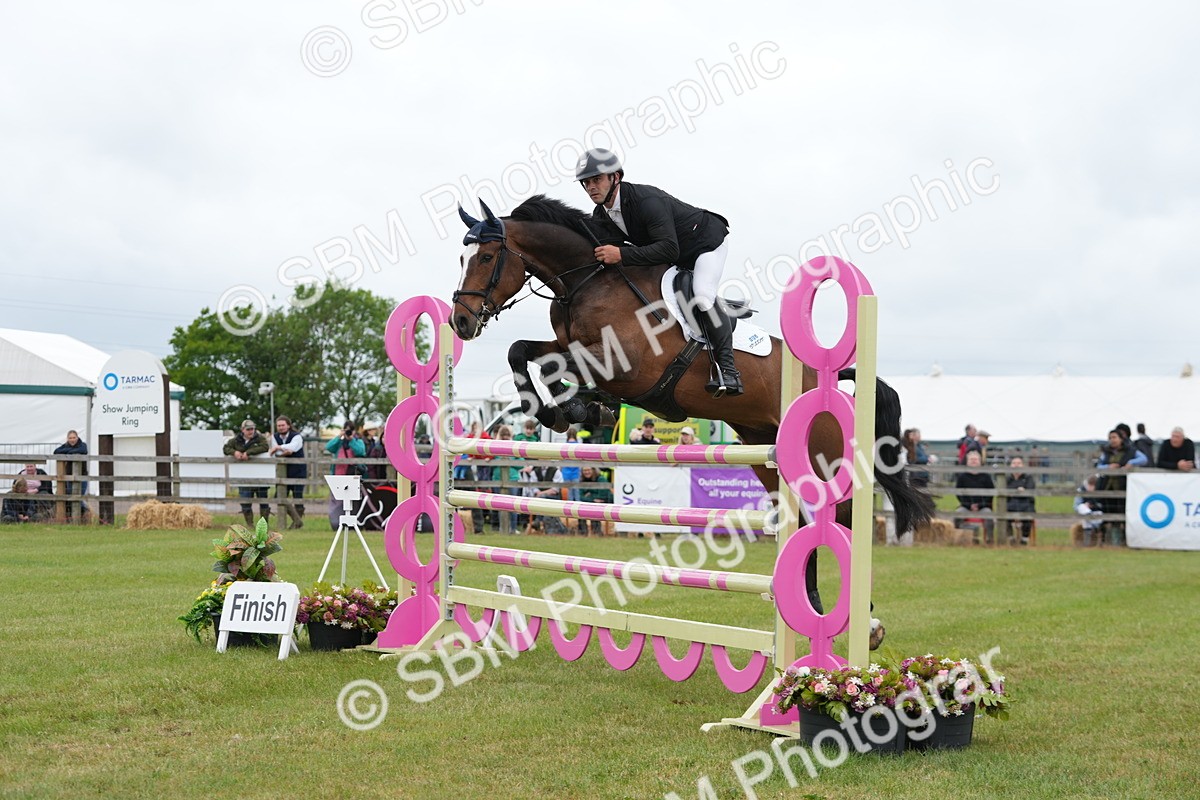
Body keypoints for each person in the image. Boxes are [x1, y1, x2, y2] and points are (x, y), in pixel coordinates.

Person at [576, 147, 741, 396]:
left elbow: (668, 250)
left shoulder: (646, 202)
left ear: (615, 177)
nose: (591, 187)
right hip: (673, 252)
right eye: (586, 183)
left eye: (596, 180)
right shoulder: (601, 213)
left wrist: (621, 255)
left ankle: (728, 371)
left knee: (702, 296)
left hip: (705, 244)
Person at [1096, 428, 1147, 546]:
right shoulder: (1106, 452)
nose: (1112, 440)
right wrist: (1108, 467)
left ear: (1121, 439)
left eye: (1114, 437)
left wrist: (1131, 463)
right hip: (1107, 487)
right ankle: (1105, 541)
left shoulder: (1130, 450)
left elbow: (1144, 459)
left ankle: (1124, 540)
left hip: (1124, 486)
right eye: (1110, 438)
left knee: (1123, 513)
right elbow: (1099, 465)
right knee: (1107, 513)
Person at [224, 419, 270, 526]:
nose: (251, 431)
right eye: (248, 429)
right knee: (245, 501)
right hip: (243, 475)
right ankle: (250, 524)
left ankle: (264, 525)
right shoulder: (236, 440)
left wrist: (248, 453)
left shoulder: (259, 438)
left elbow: (265, 447)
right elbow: (226, 448)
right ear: (242, 430)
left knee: (263, 501)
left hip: (260, 475)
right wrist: (234, 452)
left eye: (252, 429)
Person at [268, 415, 307, 529]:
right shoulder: (274, 437)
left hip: (298, 471)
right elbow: (277, 454)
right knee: (279, 496)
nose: (281, 427)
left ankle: (296, 525)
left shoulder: (297, 436)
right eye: (279, 425)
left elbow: (293, 448)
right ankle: (297, 520)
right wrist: (283, 450)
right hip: (282, 472)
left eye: (283, 425)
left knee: (297, 497)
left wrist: (279, 448)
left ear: (288, 425)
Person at [955, 450, 994, 544]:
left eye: (976, 459)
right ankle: (968, 535)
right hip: (966, 506)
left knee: (989, 516)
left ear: (980, 461)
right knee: (957, 515)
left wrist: (980, 505)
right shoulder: (962, 476)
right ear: (967, 461)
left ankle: (989, 540)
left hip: (983, 507)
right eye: (971, 459)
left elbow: (991, 494)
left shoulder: (986, 476)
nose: (973, 461)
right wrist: (969, 505)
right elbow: (958, 493)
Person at [53, 430, 89, 514]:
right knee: (71, 496)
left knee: (79, 496)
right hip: (69, 476)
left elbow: (83, 450)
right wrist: (71, 451)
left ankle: (84, 513)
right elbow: (56, 452)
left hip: (82, 476)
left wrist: (67, 452)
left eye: (74, 437)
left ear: (77, 437)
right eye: (70, 438)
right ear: (67, 439)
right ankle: (78, 515)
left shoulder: (83, 445)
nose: (72, 440)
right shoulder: (65, 446)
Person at [1005, 456, 1036, 545]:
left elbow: (1030, 489)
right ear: (1011, 466)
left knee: (1028, 514)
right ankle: (1011, 538)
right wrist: (1018, 490)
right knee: (1003, 515)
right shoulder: (1007, 478)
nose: (1016, 465)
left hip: (1025, 503)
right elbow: (1005, 490)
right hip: (1010, 504)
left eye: (1019, 463)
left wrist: (1016, 492)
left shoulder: (1028, 477)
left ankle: (1024, 538)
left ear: (1023, 465)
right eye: (1014, 463)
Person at [578, 466, 613, 535]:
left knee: (594, 511)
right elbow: (581, 497)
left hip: (606, 503)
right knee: (580, 512)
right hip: (589, 503)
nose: (586, 472)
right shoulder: (582, 481)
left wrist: (589, 495)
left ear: (593, 470)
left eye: (588, 470)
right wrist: (592, 498)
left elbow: (602, 496)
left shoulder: (601, 479)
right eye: (584, 470)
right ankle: (582, 534)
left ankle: (597, 533)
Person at [1073, 475, 1104, 546]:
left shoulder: (1099, 490)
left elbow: (1102, 505)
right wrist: (1086, 505)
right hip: (1086, 512)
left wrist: (1094, 505)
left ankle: (1090, 543)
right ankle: (1088, 542)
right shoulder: (1081, 490)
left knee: (1089, 519)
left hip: (1097, 512)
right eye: (1090, 485)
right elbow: (1076, 506)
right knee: (1082, 508)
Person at [560, 427, 582, 502]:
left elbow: (561, 459)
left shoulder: (564, 446)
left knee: (569, 492)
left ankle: (569, 509)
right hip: (575, 471)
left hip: (566, 471)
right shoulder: (578, 446)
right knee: (576, 491)